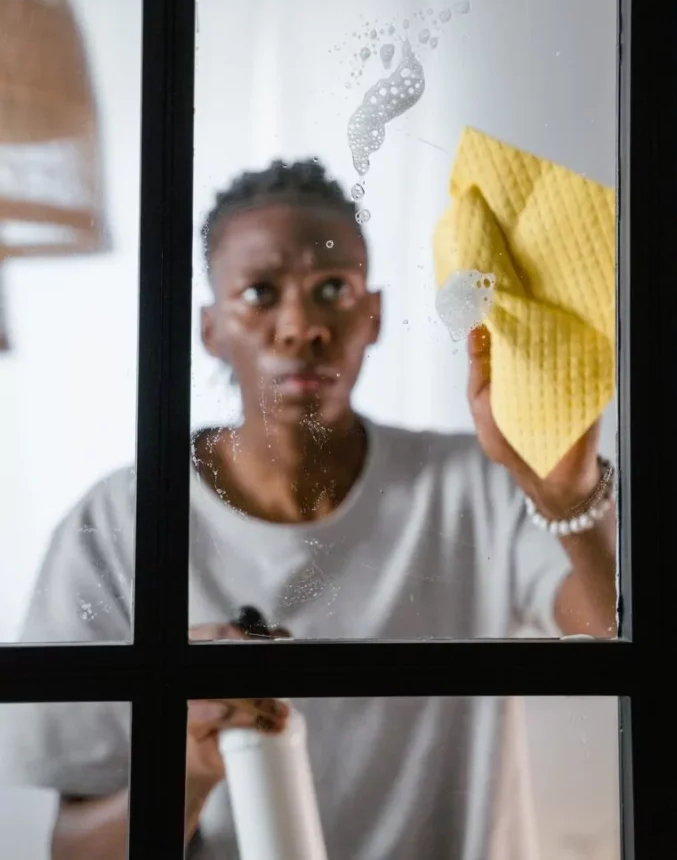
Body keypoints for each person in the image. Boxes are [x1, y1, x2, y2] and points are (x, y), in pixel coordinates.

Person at [1, 160, 616, 860]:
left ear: (373, 314)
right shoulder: (117, 527)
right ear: (209, 328)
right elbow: (72, 853)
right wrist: (192, 766)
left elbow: (617, 633)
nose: (300, 326)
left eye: (333, 289)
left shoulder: (473, 484)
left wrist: (567, 498)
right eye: (260, 293)